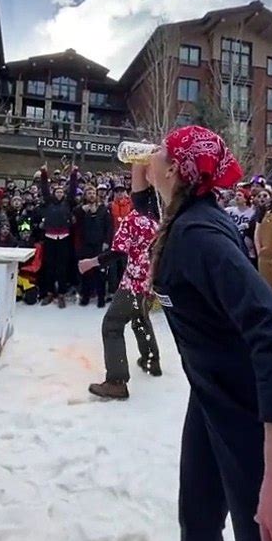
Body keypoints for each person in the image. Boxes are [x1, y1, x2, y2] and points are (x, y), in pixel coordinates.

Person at [132, 125, 272, 541]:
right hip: (211, 395)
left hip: (250, 409)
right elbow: (149, 206)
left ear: (173, 170)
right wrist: (143, 167)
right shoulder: (188, 216)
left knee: (257, 530)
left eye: (161, 151)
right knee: (198, 518)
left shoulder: (198, 235)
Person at [82, 206, 161, 399]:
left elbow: (118, 251)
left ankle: (116, 382)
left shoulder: (134, 218)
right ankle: (151, 360)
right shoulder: (160, 214)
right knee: (140, 318)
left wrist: (91, 262)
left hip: (134, 283)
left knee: (112, 324)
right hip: (152, 281)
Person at [40, 165, 77, 308]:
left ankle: (61, 294)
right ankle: (50, 292)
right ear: (54, 193)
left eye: (62, 191)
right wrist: (44, 173)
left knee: (62, 267)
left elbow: (73, 190)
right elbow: (44, 188)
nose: (60, 193)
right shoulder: (49, 202)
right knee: (49, 266)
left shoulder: (68, 203)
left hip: (64, 238)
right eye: (57, 191)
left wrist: (74, 173)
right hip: (49, 238)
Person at [74, 185, 112, 307]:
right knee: (86, 270)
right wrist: (82, 211)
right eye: (89, 193)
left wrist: (106, 242)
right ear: (85, 196)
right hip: (85, 245)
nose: (91, 195)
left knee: (100, 271)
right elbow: (74, 220)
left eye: (93, 193)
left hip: (99, 245)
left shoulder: (103, 209)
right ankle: (85, 296)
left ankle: (101, 297)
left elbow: (109, 227)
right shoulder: (81, 209)